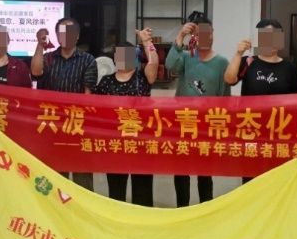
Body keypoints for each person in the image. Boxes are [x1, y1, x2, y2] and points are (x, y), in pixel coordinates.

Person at [165, 12, 230, 206]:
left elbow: (224, 98)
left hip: (207, 127)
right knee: (181, 172)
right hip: (183, 124)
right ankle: (182, 210)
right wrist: (180, 36)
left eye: (208, 33)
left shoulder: (222, 63)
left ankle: (205, 209)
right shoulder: (186, 57)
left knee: (205, 174)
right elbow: (170, 65)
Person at [224, 18, 297, 183]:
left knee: (277, 178)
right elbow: (229, 79)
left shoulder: (289, 68)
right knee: (251, 177)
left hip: (280, 133)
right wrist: (238, 54)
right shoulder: (248, 62)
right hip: (251, 131)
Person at [92, 29, 159, 206]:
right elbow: (96, 110)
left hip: (141, 144)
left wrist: (146, 42)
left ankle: (142, 220)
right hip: (115, 145)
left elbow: (153, 63)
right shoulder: (105, 82)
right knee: (116, 193)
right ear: (115, 58)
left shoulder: (142, 77)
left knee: (143, 193)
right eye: (120, 55)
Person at [32, 17, 98, 190]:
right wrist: (40, 44)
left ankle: (82, 206)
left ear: (77, 36)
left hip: (77, 125)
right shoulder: (48, 58)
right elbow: (36, 72)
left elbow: (88, 94)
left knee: (82, 177)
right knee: (55, 176)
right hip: (53, 124)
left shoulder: (88, 60)